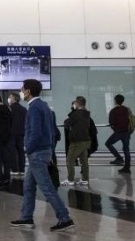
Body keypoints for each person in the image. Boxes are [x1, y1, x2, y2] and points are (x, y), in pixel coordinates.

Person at [11, 79, 75, 232]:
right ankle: (26, 217)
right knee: (28, 186)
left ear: (28, 91)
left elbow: (36, 132)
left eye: (22, 89)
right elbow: (51, 131)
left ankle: (65, 218)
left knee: (47, 187)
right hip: (43, 151)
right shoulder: (44, 106)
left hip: (37, 153)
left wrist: (28, 148)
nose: (21, 91)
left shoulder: (34, 108)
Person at [63, 96, 94, 187]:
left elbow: (67, 124)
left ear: (77, 103)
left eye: (75, 103)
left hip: (77, 141)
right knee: (84, 161)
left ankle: (70, 180)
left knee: (69, 160)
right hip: (85, 140)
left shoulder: (76, 113)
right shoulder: (86, 113)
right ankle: (85, 179)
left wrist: (73, 110)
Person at [106, 94, 132, 173]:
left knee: (108, 143)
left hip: (118, 132)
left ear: (115, 101)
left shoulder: (113, 111)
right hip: (127, 132)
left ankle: (119, 158)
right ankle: (127, 167)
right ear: (122, 101)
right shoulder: (127, 109)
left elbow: (111, 123)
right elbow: (130, 119)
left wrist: (115, 129)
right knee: (126, 149)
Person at [9, 93, 28, 175]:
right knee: (21, 152)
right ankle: (22, 169)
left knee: (12, 151)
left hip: (11, 133)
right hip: (21, 133)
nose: (9, 99)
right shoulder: (24, 109)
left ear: (14, 99)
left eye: (10, 97)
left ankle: (14, 169)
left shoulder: (9, 109)